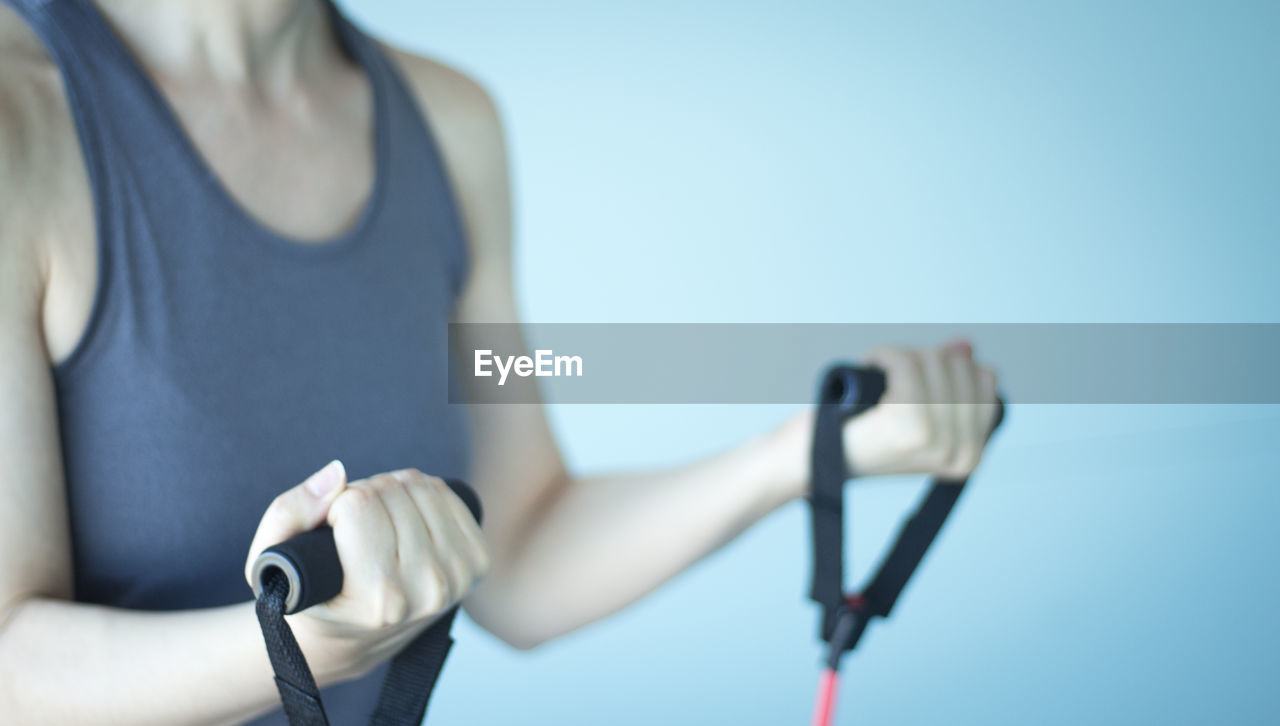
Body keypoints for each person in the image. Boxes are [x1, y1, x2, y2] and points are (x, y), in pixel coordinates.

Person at [0, 0, 1001, 723]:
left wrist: (801, 454)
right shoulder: (20, 119)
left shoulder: (449, 123)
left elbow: (516, 551)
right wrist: (306, 648)